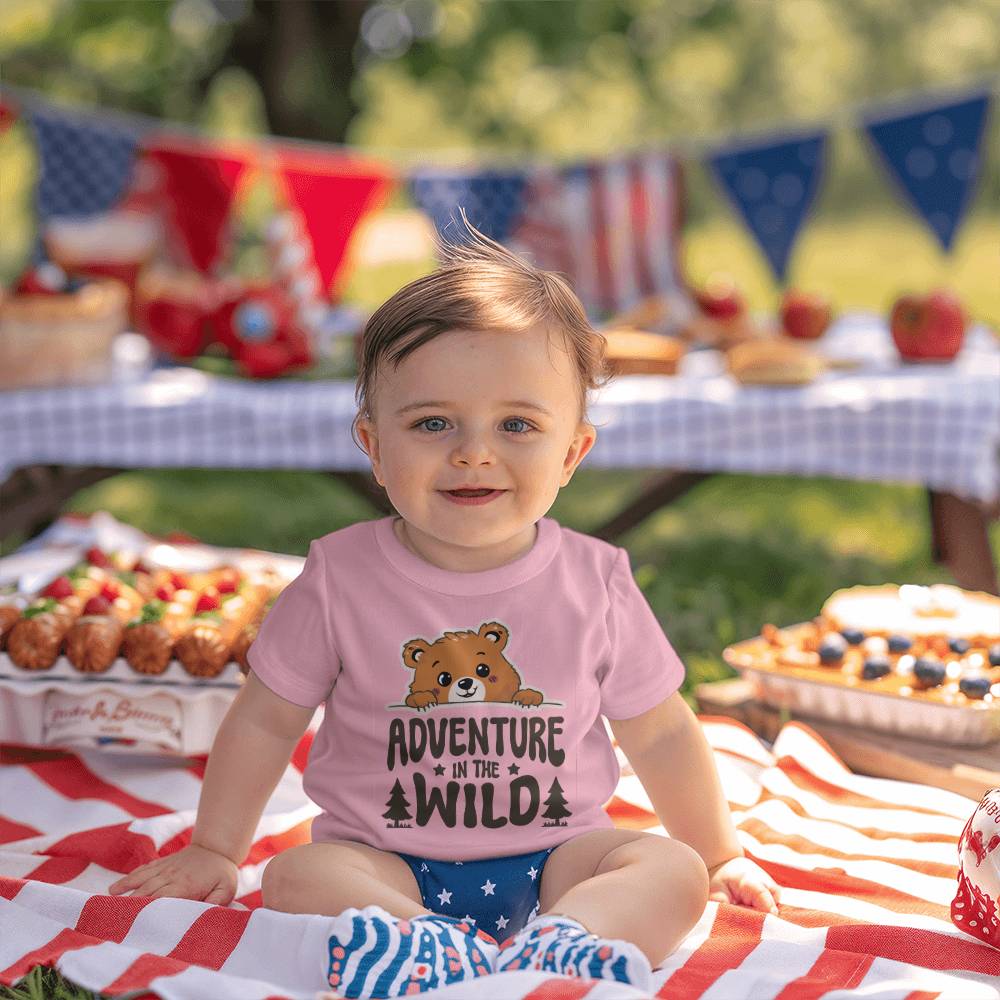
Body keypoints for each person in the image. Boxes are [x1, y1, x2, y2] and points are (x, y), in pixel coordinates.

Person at [109, 220, 781, 998]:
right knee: (296, 876)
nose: (473, 452)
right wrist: (218, 848)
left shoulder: (595, 581)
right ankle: (423, 946)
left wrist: (719, 852)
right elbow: (264, 719)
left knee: (669, 870)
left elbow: (661, 731)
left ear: (572, 453)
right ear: (373, 445)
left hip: (559, 859)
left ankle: (571, 942)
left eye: (517, 425)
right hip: (383, 862)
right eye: (432, 423)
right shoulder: (338, 578)